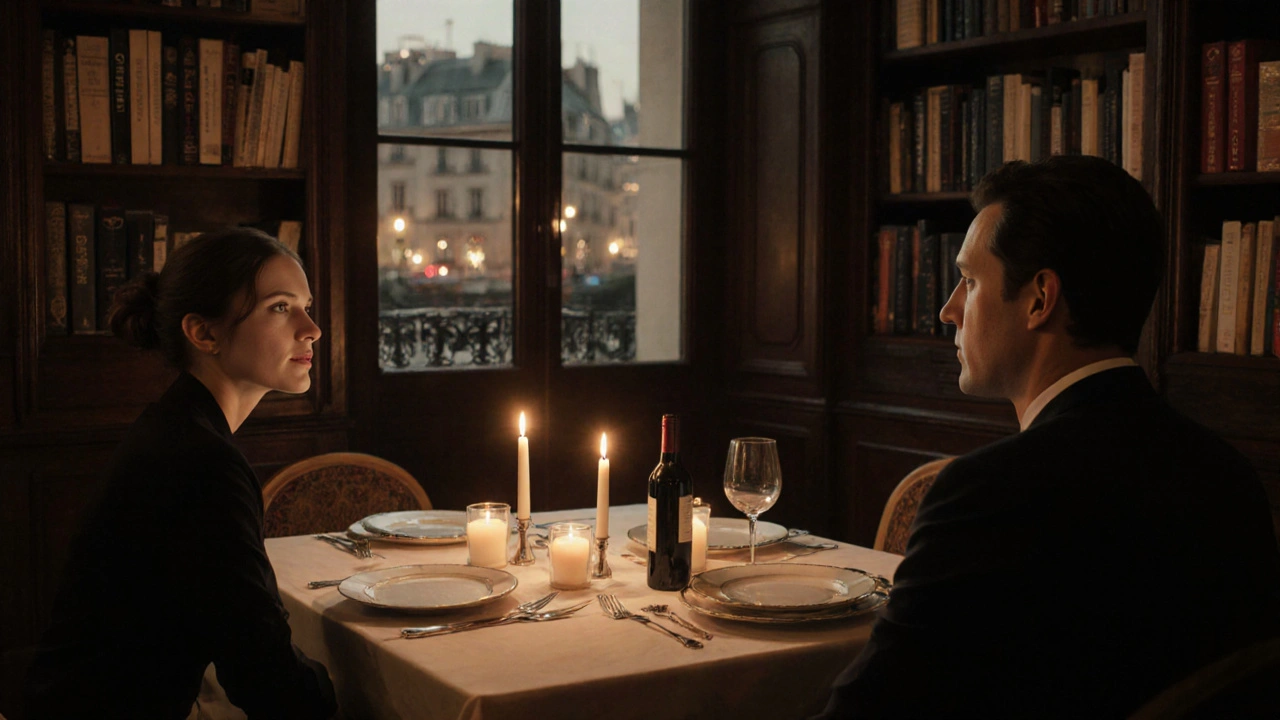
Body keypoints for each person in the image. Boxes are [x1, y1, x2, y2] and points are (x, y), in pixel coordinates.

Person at [815, 156, 1280, 719]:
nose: (947, 311)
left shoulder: (987, 495)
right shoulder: (1226, 473)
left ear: (1039, 298)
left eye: (969, 280)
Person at [26, 228, 337, 719]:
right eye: (280, 307)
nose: (312, 328)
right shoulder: (201, 461)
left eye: (305, 304)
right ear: (203, 333)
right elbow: (261, 673)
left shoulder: (176, 427)